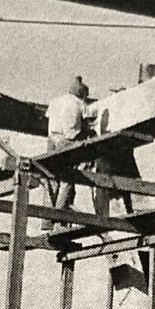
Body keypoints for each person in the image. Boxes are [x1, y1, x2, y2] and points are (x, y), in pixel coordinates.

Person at [43, 76, 98, 227]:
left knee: (51, 178)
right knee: (67, 180)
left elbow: (48, 118)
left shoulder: (55, 102)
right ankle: (58, 217)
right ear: (82, 93)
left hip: (52, 141)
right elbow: (87, 126)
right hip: (66, 142)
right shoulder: (80, 103)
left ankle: (47, 220)